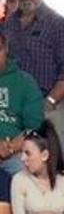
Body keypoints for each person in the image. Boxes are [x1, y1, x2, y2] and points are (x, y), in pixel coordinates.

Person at [2, 0, 64, 144]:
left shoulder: (59, 24)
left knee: (51, 160)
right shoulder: (9, 24)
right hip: (15, 107)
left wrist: (49, 102)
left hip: (49, 104)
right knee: (18, 161)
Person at [0, 33, 47, 175]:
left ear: (6, 49)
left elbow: (34, 126)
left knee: (30, 173)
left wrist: (11, 148)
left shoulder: (25, 82)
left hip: (15, 152)